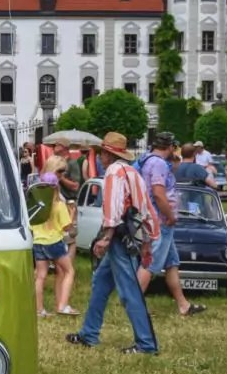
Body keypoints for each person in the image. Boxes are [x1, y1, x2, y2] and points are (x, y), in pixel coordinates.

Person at [65, 132, 161, 355]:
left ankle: (146, 344)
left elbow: (114, 209)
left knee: (129, 290)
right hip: (130, 234)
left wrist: (106, 237)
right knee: (101, 282)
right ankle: (89, 333)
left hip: (119, 235)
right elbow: (146, 208)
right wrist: (148, 239)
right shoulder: (132, 172)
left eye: (101, 153)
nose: (99, 157)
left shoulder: (113, 173)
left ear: (107, 154)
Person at [137, 132, 207, 317]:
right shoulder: (159, 164)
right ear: (169, 147)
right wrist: (170, 215)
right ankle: (135, 305)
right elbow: (159, 193)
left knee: (171, 264)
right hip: (161, 222)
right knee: (149, 264)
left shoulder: (148, 160)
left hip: (157, 220)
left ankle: (183, 305)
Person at [32, 172, 78, 317]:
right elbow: (66, 227)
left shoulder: (37, 206)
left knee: (40, 276)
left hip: (38, 242)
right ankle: (63, 305)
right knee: (69, 271)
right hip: (54, 243)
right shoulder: (59, 205)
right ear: (56, 187)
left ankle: (39, 310)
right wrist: (72, 213)